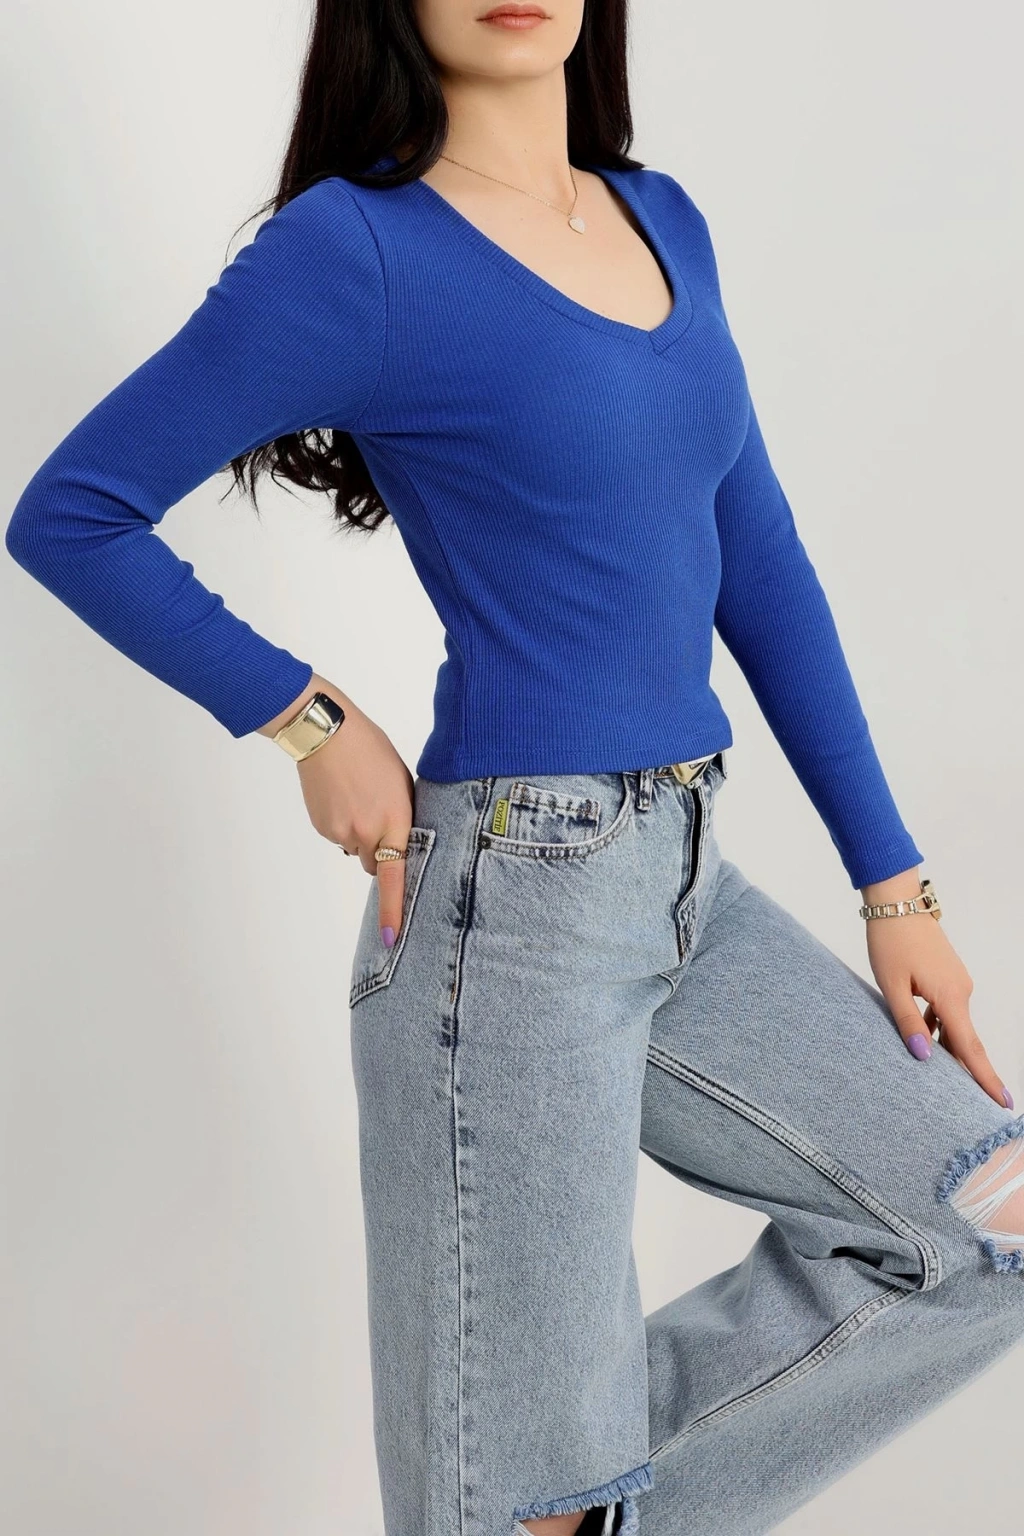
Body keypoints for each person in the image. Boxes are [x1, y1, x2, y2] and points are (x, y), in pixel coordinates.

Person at [7, 4, 1024, 1533]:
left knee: (984, 1219)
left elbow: (759, 559)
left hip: (691, 885)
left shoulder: (662, 219)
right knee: (534, 1491)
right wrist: (307, 718)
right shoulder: (356, 251)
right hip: (516, 906)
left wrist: (896, 881)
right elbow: (72, 513)